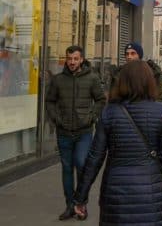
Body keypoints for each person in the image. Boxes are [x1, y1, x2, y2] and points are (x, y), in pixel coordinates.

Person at [72, 61, 162, 223]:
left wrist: (81, 197)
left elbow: (94, 158)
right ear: (149, 81)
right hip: (150, 191)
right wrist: (155, 167)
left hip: (116, 192)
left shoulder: (110, 112)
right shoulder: (160, 111)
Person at [45, 45, 106, 221]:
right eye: (69, 59)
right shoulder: (58, 80)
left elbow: (101, 100)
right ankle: (70, 205)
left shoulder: (92, 78)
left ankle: (81, 203)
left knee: (81, 164)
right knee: (66, 169)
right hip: (63, 131)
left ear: (81, 59)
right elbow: (49, 101)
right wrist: (56, 119)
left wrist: (91, 117)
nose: (72, 62)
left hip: (84, 131)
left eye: (75, 59)